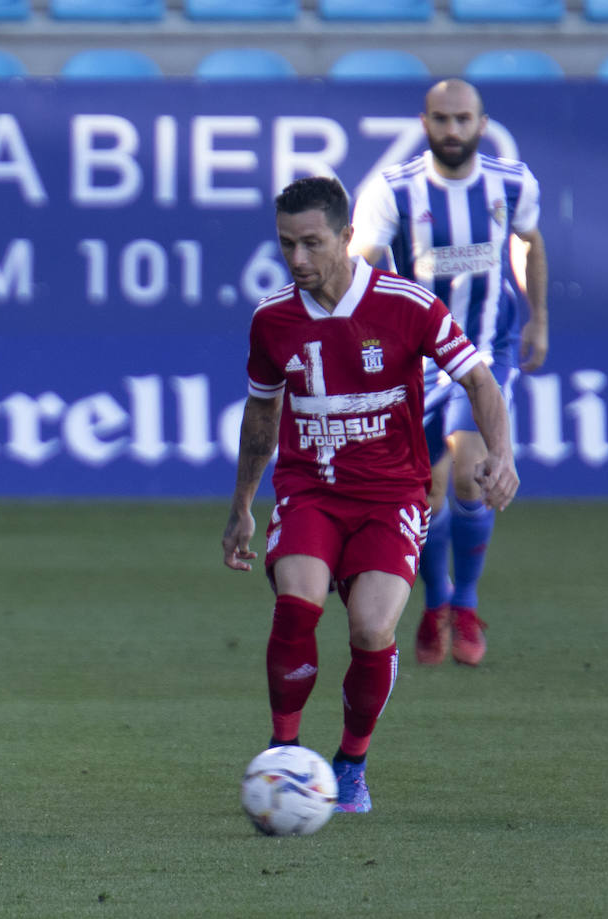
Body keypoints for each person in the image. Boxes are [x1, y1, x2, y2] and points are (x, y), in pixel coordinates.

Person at [221, 176, 518, 812]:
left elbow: (481, 381)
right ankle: (285, 759)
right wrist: (243, 504)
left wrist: (501, 453)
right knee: (297, 605)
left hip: (392, 496)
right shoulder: (272, 320)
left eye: (311, 243)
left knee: (370, 626)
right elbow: (262, 418)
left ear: (347, 237)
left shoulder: (406, 304)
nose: (297, 259)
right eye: (285, 245)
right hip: (311, 491)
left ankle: (351, 763)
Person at [350, 79, 547, 667]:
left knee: (467, 471)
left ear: (482, 123)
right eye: (442, 119)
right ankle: (436, 602)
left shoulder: (513, 182)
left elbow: (532, 244)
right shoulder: (394, 191)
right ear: (425, 122)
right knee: (428, 490)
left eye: (464, 119)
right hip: (416, 359)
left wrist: (538, 321)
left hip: (486, 350)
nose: (453, 130)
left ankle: (465, 603)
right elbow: (361, 266)